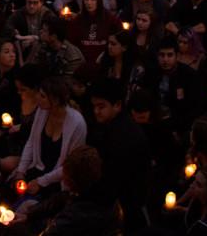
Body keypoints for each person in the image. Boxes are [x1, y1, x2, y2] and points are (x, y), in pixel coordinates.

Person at [87, 78, 150, 231]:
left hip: (124, 207)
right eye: (94, 106)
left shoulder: (125, 135)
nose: (96, 111)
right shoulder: (107, 127)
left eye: (101, 106)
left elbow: (115, 178)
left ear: (117, 105)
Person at [12, 76, 87, 197]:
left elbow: (71, 165)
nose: (37, 98)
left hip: (58, 178)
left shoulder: (77, 124)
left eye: (42, 96)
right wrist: (21, 171)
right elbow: (31, 142)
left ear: (56, 100)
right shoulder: (42, 111)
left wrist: (41, 182)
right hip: (38, 168)